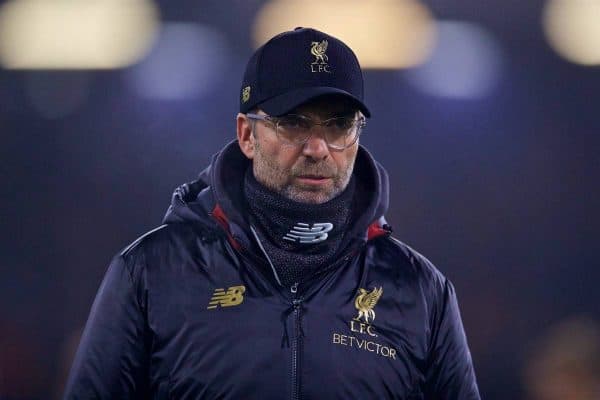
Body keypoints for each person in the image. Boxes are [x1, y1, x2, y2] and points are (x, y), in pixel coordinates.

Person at [64, 27, 480, 399]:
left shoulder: (421, 291)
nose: (318, 148)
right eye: (294, 124)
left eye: (338, 126)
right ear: (247, 135)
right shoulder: (150, 274)